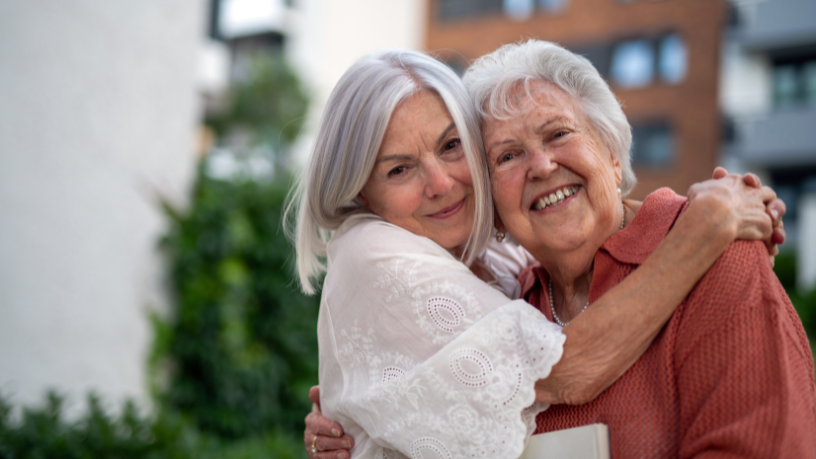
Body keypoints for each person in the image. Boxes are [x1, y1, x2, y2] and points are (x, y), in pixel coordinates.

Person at [289, 47, 788, 459]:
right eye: (507, 155)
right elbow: (564, 370)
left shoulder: (512, 273)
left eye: (559, 134)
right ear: (359, 194)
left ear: (613, 152)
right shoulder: (388, 258)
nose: (441, 183)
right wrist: (701, 232)